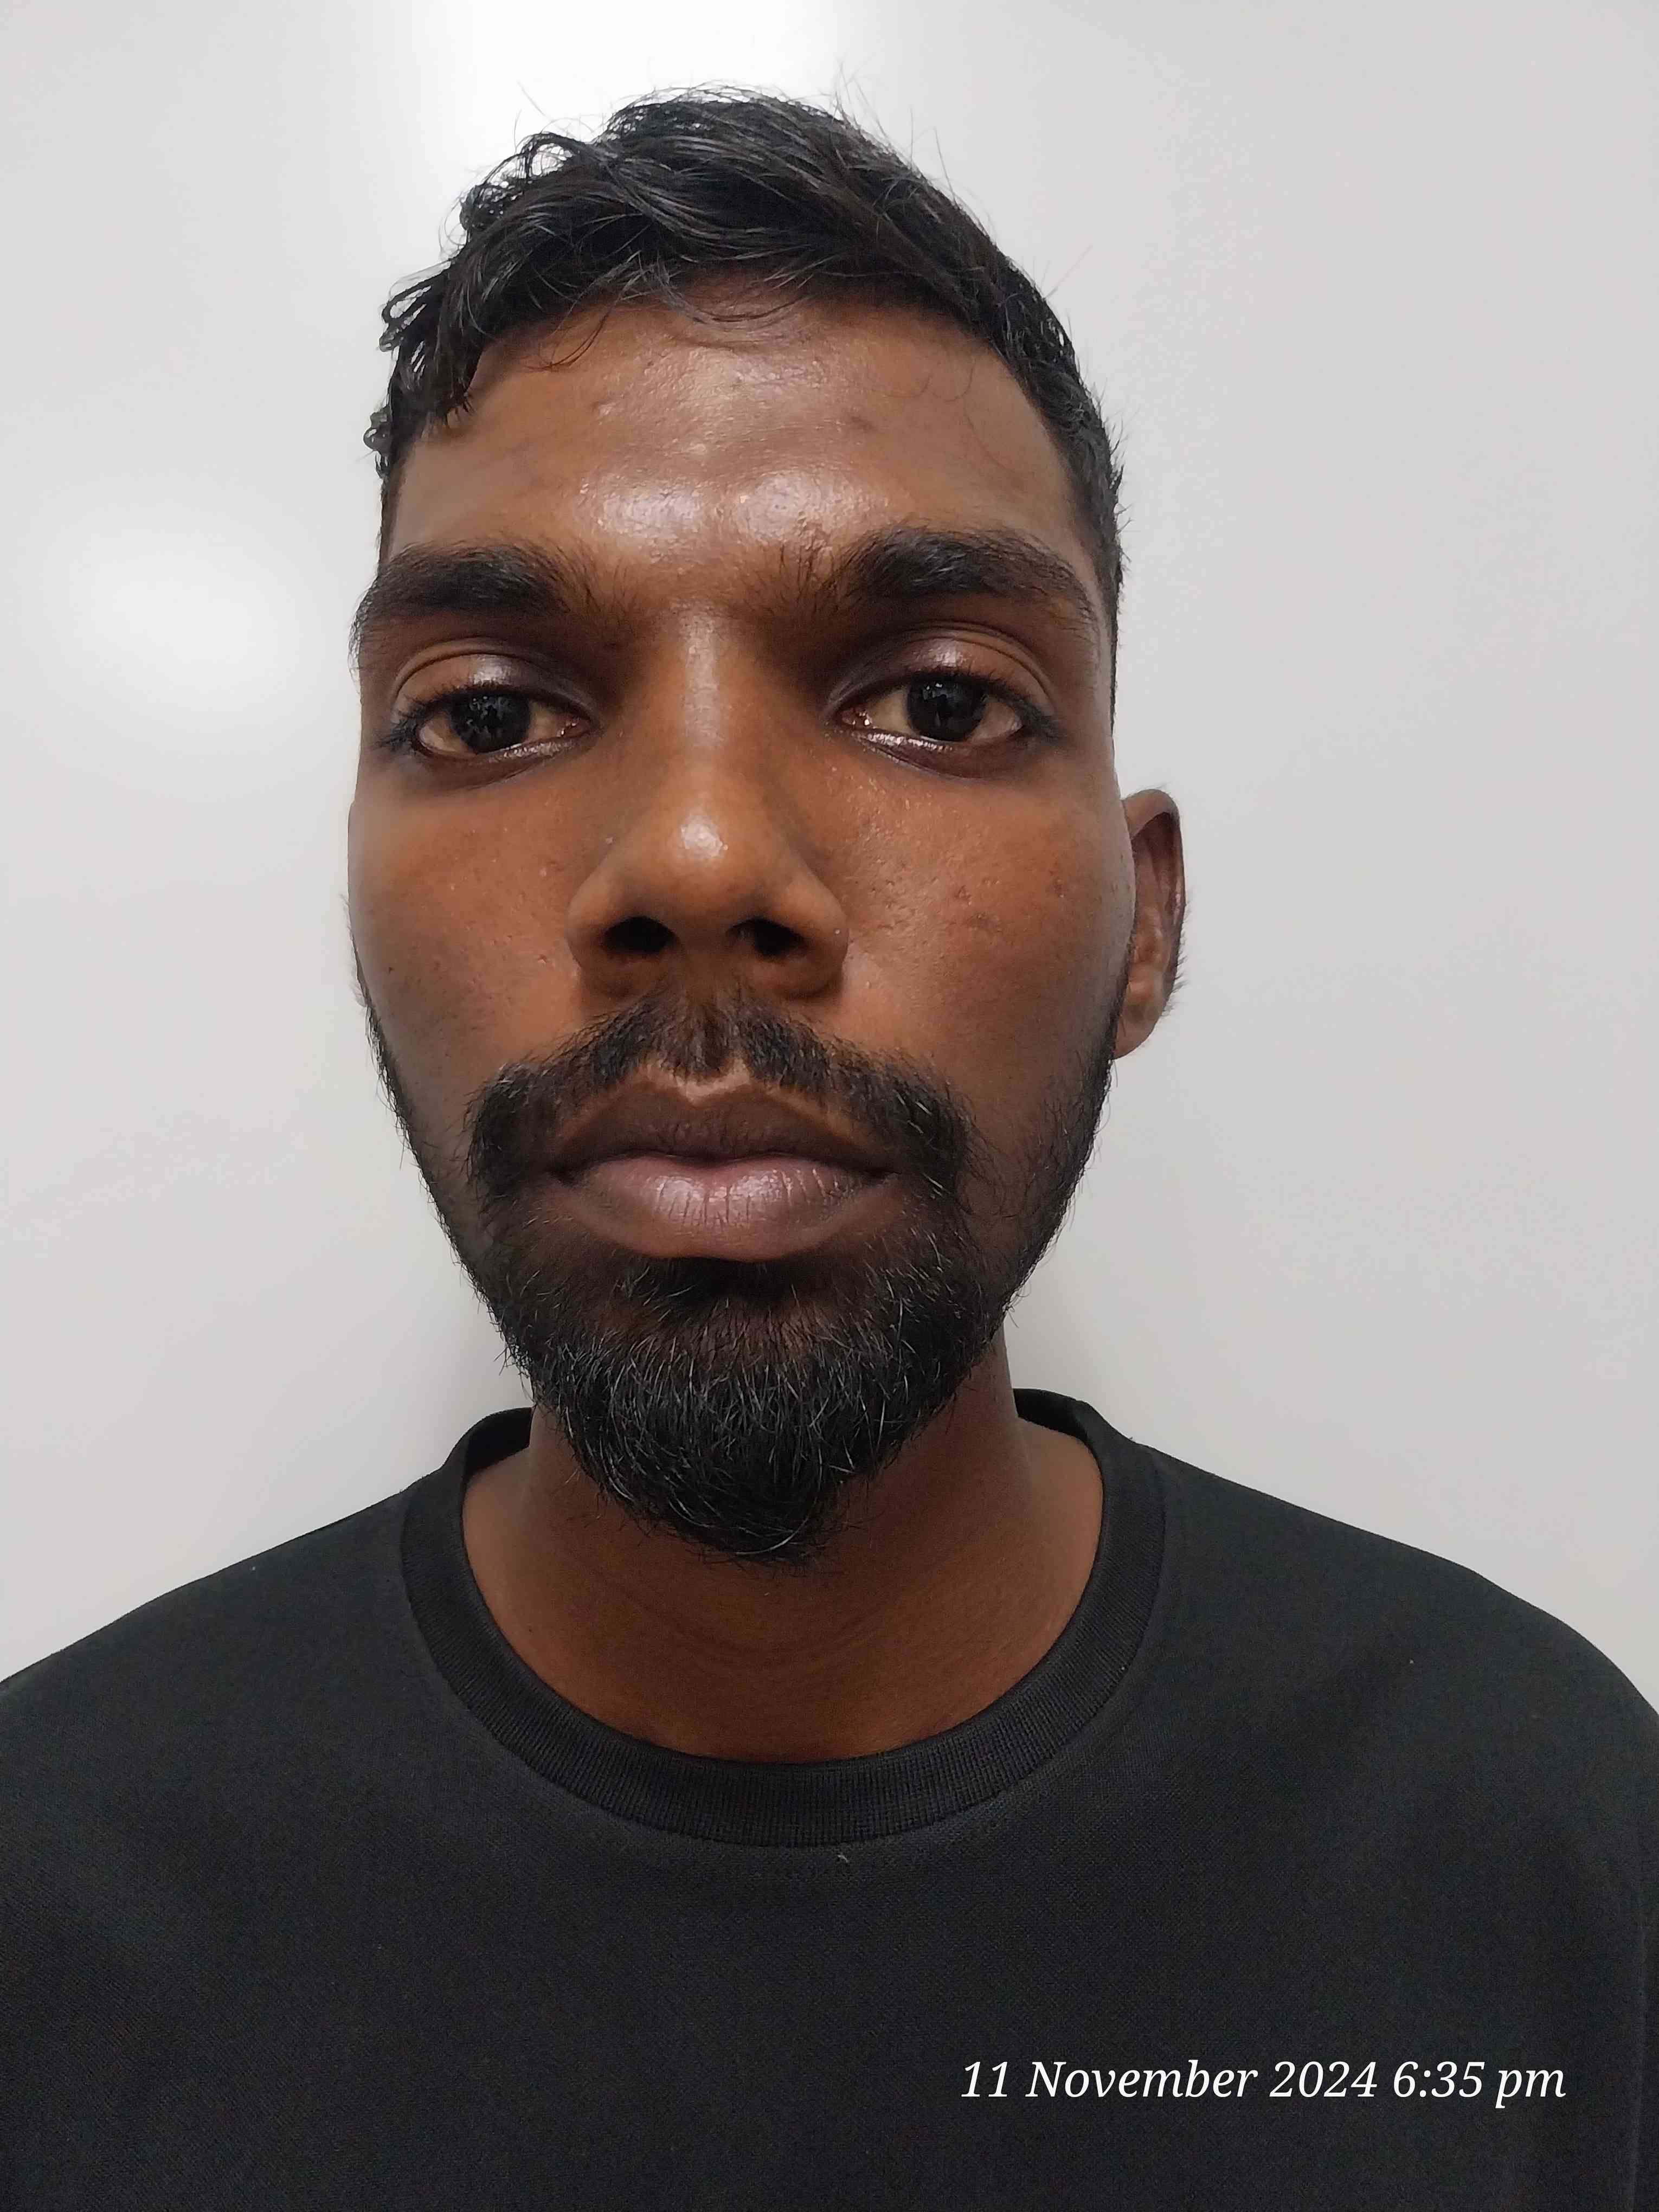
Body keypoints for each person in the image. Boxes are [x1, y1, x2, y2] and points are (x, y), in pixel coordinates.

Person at [2, 88, 1652, 2208]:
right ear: (353, 895)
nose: (699, 860)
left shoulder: (1534, 1846)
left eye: (938, 701)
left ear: (1144, 925)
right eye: (492, 712)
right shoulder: (52, 1899)